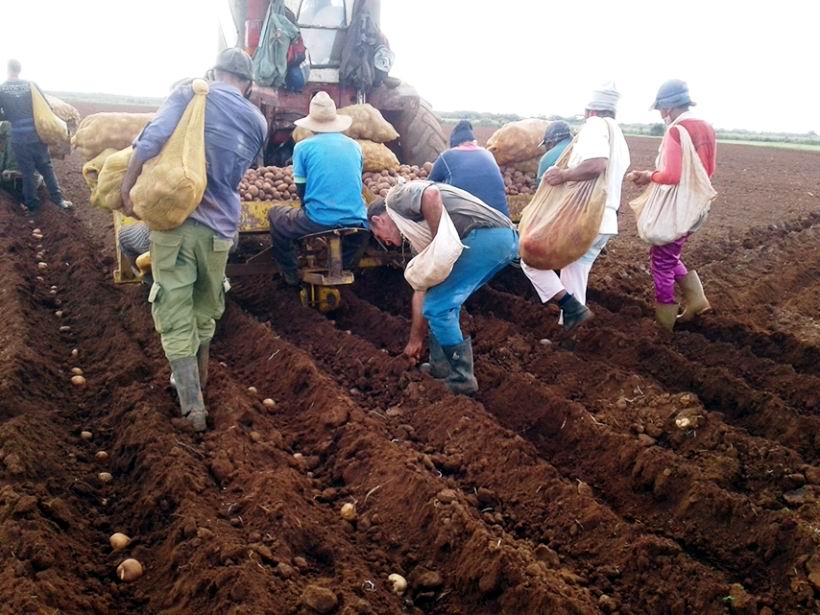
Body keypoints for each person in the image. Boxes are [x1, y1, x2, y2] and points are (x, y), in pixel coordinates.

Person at [120, 48, 266, 432]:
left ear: (214, 71)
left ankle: (193, 409)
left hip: (178, 224)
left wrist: (127, 184)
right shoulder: (257, 121)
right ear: (248, 85)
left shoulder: (192, 92)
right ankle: (198, 383)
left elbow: (151, 140)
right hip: (221, 230)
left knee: (173, 309)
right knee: (205, 308)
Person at [368, 181, 518, 394]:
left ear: (378, 220)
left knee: (439, 308)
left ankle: (462, 378)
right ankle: (441, 367)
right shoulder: (416, 232)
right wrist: (416, 338)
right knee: (443, 302)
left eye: (377, 235)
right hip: (503, 239)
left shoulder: (394, 199)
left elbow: (430, 194)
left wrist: (442, 242)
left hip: (485, 238)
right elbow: (423, 290)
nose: (386, 242)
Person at [521, 83, 631, 332]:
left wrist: (563, 175)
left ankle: (569, 306)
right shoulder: (618, 135)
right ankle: (571, 328)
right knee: (575, 273)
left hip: (584, 220)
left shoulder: (594, 125)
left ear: (590, 110)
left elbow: (596, 164)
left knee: (529, 258)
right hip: (605, 221)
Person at [628, 79, 716, 330]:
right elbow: (708, 169)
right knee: (667, 254)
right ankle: (697, 300)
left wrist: (648, 176)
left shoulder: (676, 131)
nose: (661, 114)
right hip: (697, 204)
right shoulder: (706, 127)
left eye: (660, 109)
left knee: (661, 264)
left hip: (678, 206)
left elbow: (673, 175)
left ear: (666, 108)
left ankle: (664, 326)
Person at [268, 91, 366, 285]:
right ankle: (345, 265)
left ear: (311, 124)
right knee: (354, 243)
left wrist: (308, 209)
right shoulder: (355, 146)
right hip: (358, 220)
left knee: (275, 215)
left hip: (320, 219)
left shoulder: (303, 147)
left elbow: (301, 190)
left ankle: (289, 273)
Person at [0, 59, 72, 212]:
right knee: (46, 167)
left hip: (18, 138)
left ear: (7, 69)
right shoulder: (31, 85)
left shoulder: (2, 88)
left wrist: (10, 115)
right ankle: (58, 200)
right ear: (19, 70)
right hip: (36, 135)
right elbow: (45, 106)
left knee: (27, 173)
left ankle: (33, 207)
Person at [428, 119, 509, 216]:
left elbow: (427, 186)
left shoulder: (448, 156)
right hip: (504, 224)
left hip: (467, 226)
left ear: (455, 144)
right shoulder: (488, 154)